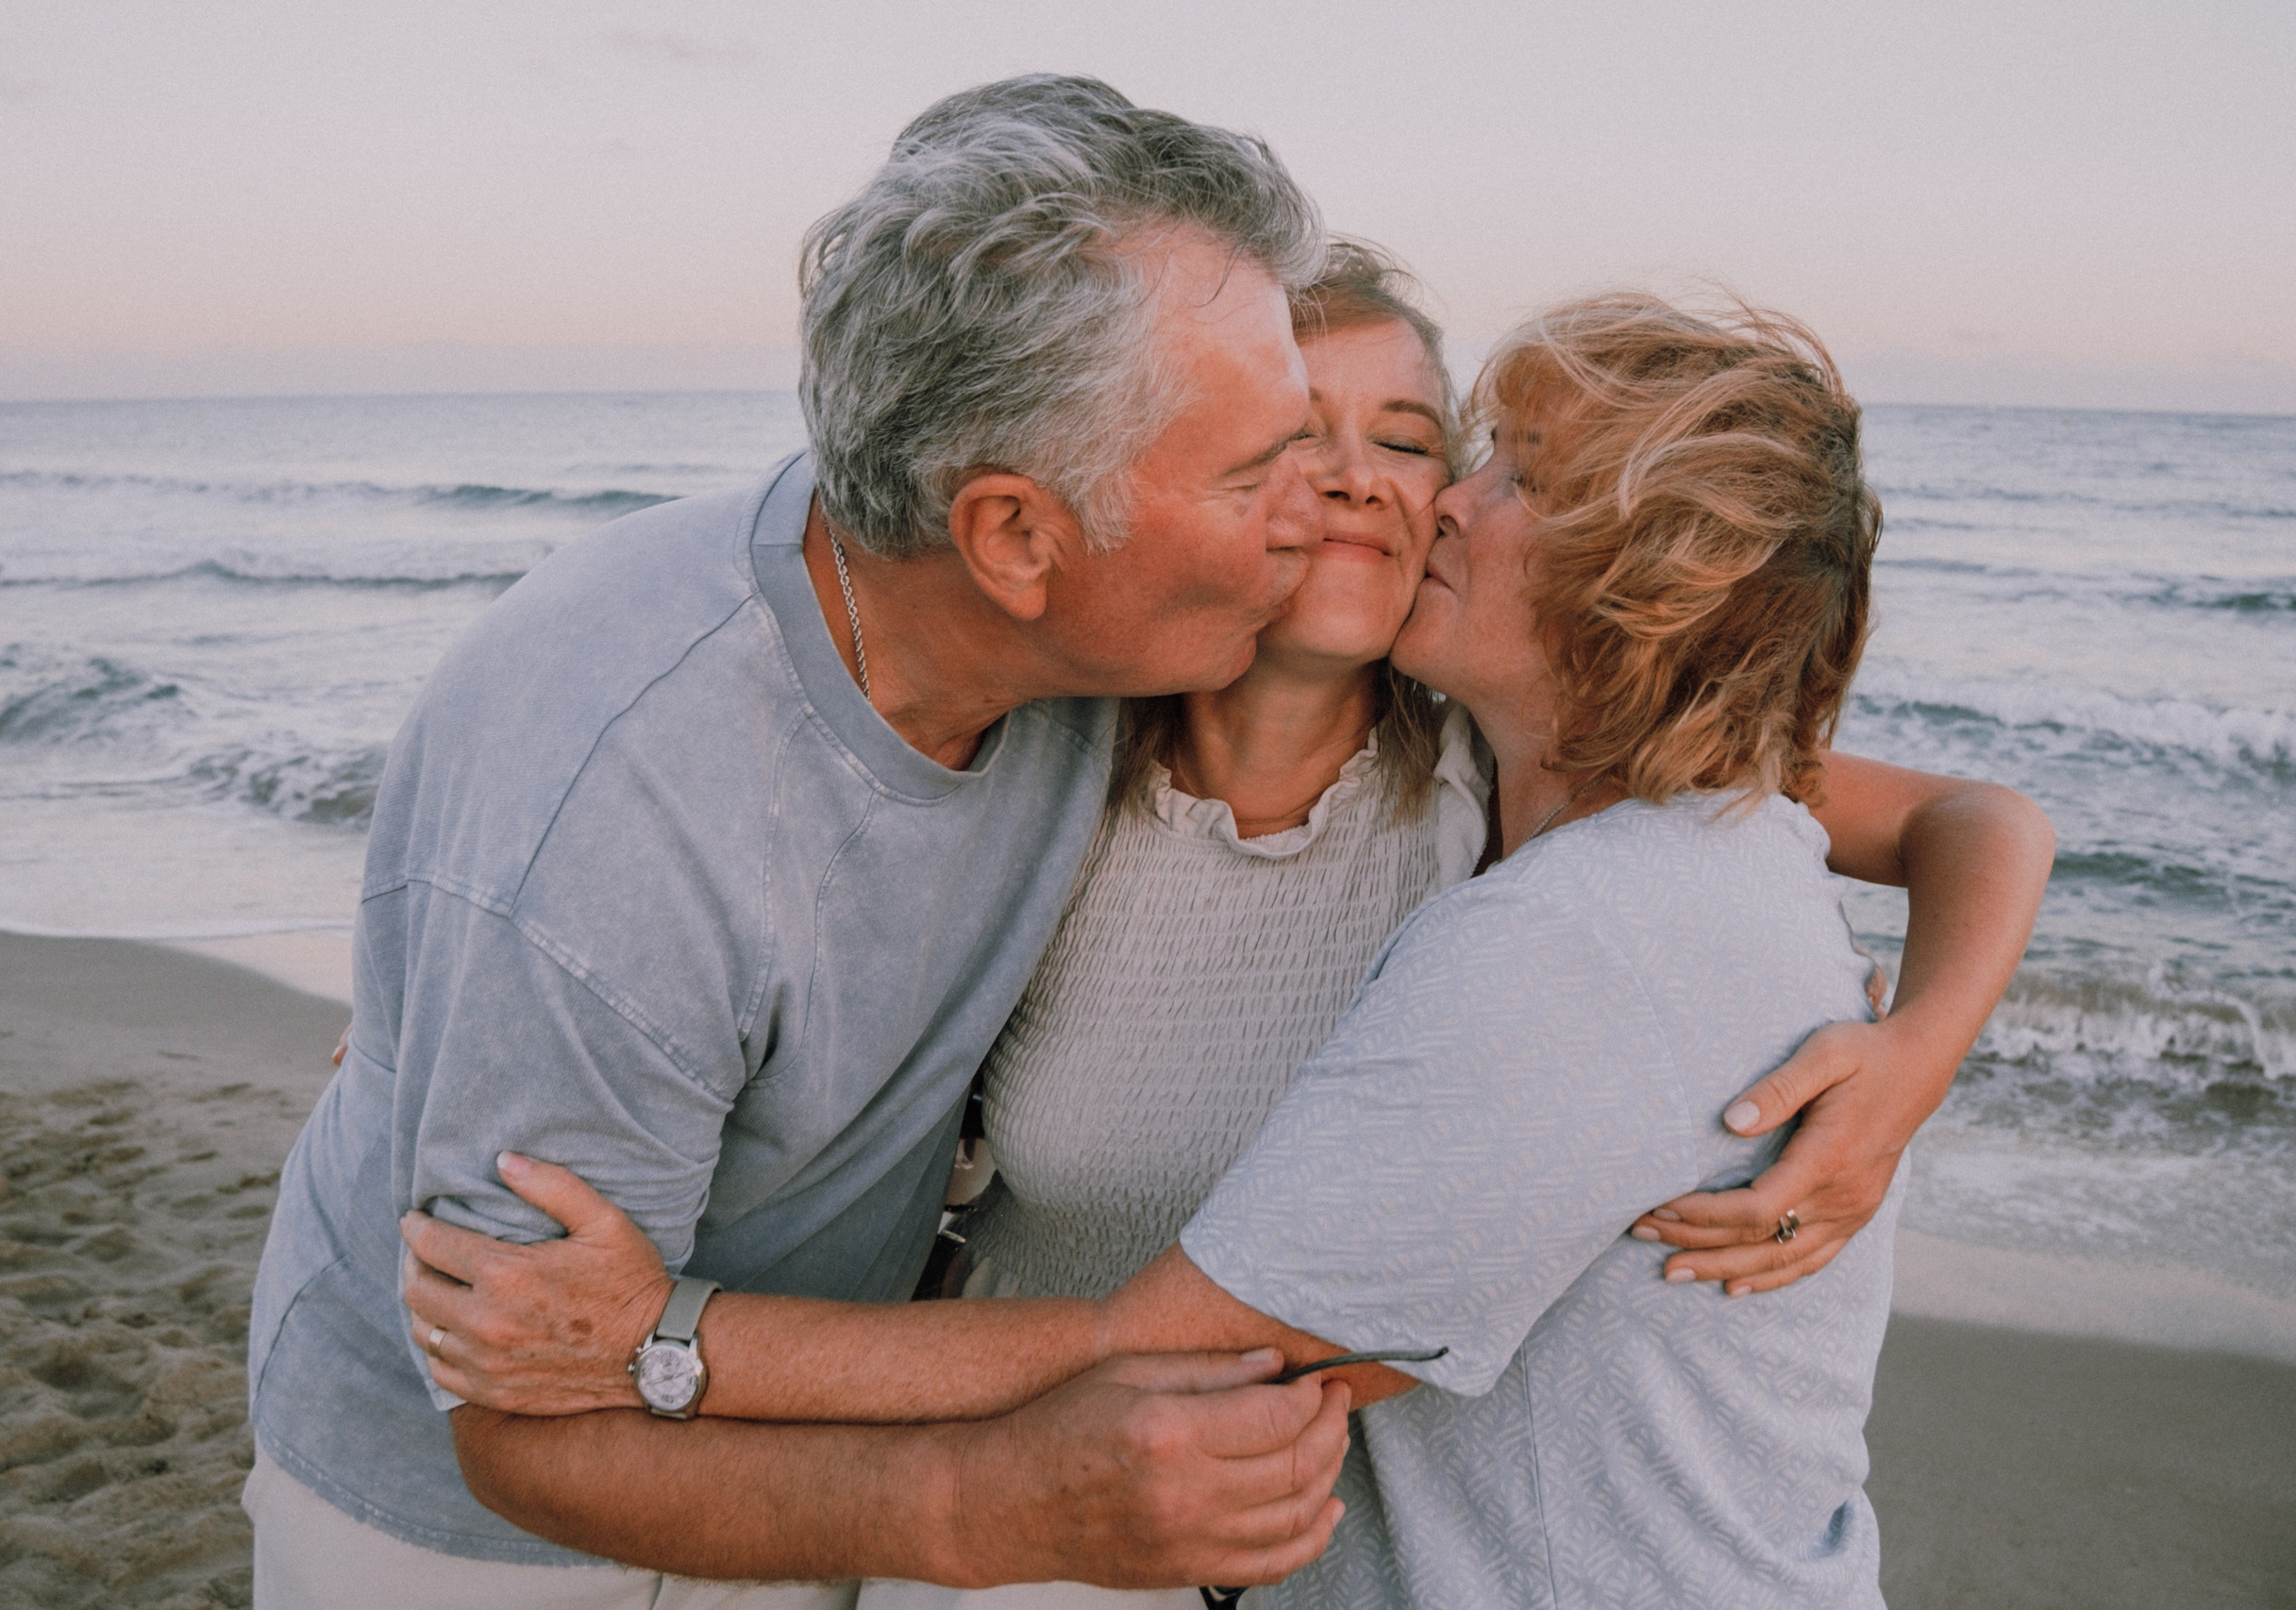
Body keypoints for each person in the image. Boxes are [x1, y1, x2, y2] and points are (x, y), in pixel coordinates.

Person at [401, 287, 2053, 1609]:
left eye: (1503, 473)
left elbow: (1195, 1350)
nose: (1437, 500)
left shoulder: (1576, 919)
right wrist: (499, 1004)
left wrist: (661, 1339)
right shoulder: (1685, 825)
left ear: (1643, 598)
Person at [243, 74, 1361, 1609]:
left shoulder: (1132, 618)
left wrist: (1801, 1018)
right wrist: (991, 1508)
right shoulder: (628, 816)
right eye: (1257, 475)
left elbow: (1636, 716)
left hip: (799, 1405)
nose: (1326, 508)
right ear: (1016, 537)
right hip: (470, 1527)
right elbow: (519, 1420)